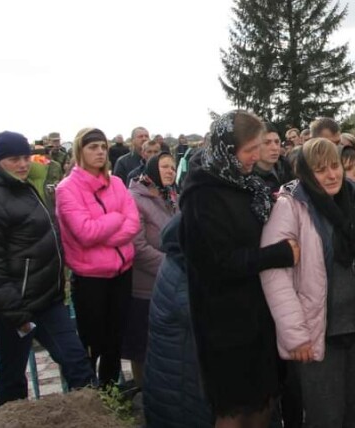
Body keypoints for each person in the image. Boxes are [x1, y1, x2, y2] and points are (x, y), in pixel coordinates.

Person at [260, 138, 355, 428]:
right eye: (320, 170)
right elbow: (275, 274)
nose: (331, 175)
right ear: (304, 173)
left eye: (334, 166)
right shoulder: (291, 206)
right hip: (319, 334)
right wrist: (296, 335)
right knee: (324, 418)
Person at [180, 110, 299, 428]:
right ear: (226, 150)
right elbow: (217, 264)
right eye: (250, 150)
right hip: (224, 322)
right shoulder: (202, 195)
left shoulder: (248, 185)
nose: (257, 156)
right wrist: (278, 254)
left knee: (263, 401)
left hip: (258, 315)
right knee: (234, 410)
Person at [0, 131, 95, 406]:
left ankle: (91, 417)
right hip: (14, 307)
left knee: (77, 363)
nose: (23, 164)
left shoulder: (26, 185)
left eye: (25, 157)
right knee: (12, 377)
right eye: (14, 159)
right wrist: (15, 312)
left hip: (47, 299)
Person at [56, 127, 141, 388]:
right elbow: (85, 232)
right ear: (80, 152)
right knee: (92, 340)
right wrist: (116, 219)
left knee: (115, 338)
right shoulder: (67, 189)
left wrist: (108, 232)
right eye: (93, 147)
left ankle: (110, 389)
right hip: (91, 277)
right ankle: (86, 394)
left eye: (103, 147)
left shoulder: (115, 183)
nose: (100, 152)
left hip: (121, 272)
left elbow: (134, 222)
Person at [143, 214, 214, 428]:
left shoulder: (180, 260)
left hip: (180, 389)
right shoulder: (183, 276)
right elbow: (215, 322)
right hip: (181, 399)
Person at [124, 152, 178, 387]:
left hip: (170, 284)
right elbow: (138, 246)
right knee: (143, 349)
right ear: (152, 169)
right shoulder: (135, 198)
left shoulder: (171, 196)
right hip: (146, 287)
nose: (170, 171)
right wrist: (172, 268)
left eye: (173, 167)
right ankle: (144, 392)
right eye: (164, 166)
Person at [254, 122, 293, 195]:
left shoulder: (288, 167)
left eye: (277, 142)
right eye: (267, 142)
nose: (275, 148)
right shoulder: (246, 178)